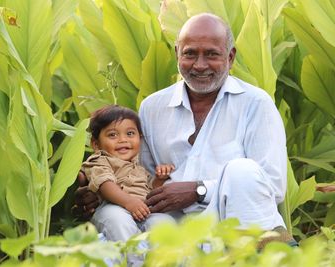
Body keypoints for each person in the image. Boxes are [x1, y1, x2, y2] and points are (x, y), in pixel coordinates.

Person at [74, 13, 293, 244]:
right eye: (190, 54)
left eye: (211, 54)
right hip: (169, 231)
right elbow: (140, 177)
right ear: (178, 53)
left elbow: (272, 185)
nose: (199, 65)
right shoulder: (152, 107)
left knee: (242, 171)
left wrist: (198, 190)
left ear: (230, 56)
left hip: (234, 225)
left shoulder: (256, 103)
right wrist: (100, 193)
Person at [82, 105, 175, 241]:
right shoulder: (100, 160)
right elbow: (105, 184)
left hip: (142, 210)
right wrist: (129, 202)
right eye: (112, 135)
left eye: (130, 133)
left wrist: (160, 180)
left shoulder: (138, 165)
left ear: (140, 138)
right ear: (96, 144)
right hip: (112, 208)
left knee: (164, 222)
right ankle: (131, 261)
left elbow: (149, 192)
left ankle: (163, 261)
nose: (123, 140)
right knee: (118, 221)